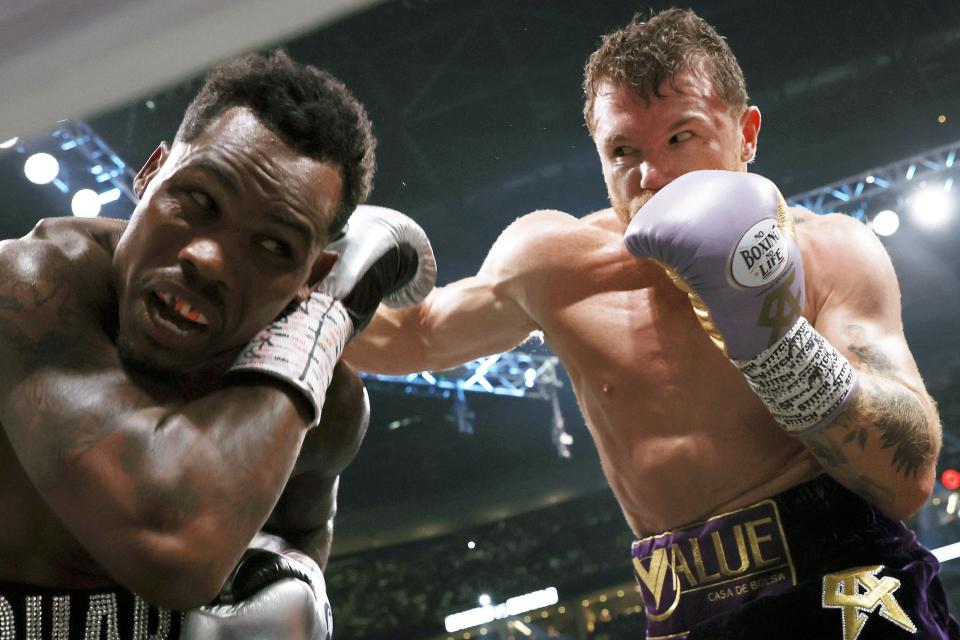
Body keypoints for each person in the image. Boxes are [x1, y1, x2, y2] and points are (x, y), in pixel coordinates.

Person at [344, 8, 957, 639]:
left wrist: (777, 344)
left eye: (681, 137)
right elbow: (414, 334)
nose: (652, 175)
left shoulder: (829, 252)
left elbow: (906, 478)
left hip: (845, 585)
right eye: (623, 151)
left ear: (745, 133)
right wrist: (299, 287)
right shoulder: (556, 263)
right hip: (682, 613)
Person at [0, 50, 435, 639]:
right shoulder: (31, 288)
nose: (208, 260)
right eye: (200, 202)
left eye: (274, 246)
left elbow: (301, 537)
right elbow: (169, 547)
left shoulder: (325, 408)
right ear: (150, 173)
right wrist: (331, 314)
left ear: (313, 274)